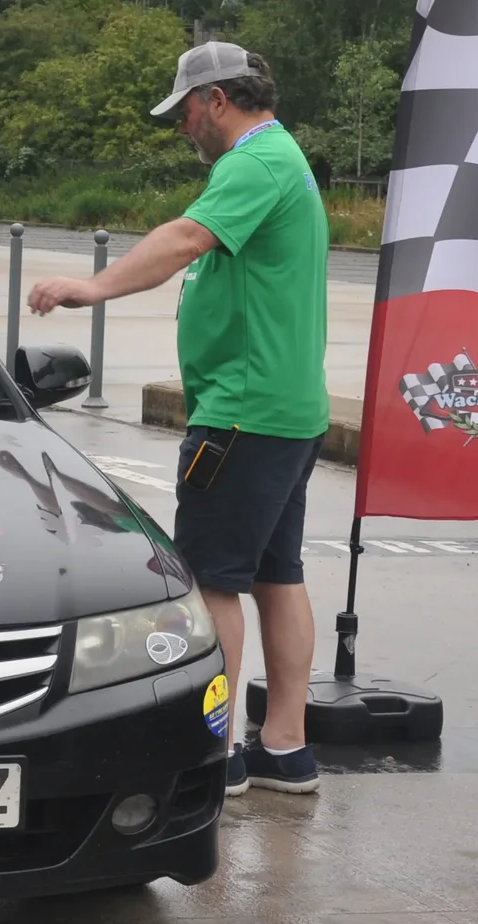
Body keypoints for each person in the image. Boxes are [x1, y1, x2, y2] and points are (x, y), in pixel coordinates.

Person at [28, 42, 327, 797]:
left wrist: (91, 287)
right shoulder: (283, 157)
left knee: (214, 585)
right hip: (285, 410)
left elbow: (183, 238)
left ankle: (218, 751)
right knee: (276, 575)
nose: (182, 128)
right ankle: (285, 747)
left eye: (186, 112)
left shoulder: (255, 163)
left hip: (243, 415)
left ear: (218, 100)